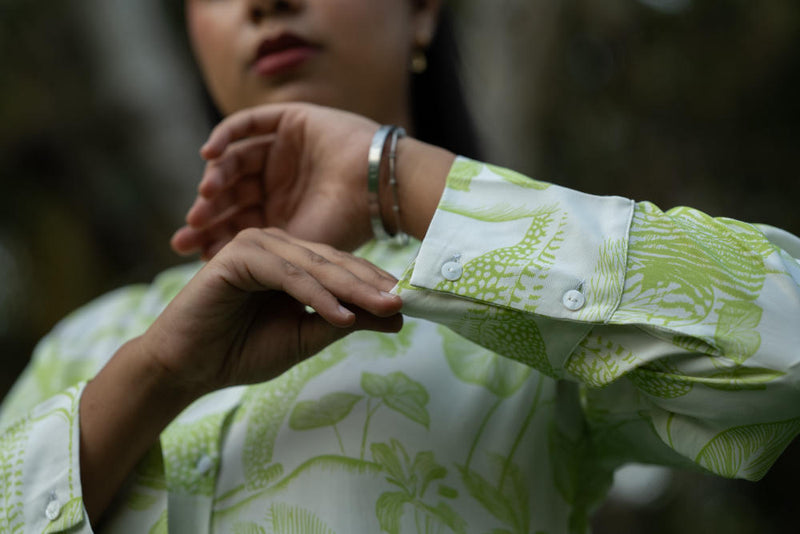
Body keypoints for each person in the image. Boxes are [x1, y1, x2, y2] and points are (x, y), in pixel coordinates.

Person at [2, 1, 800, 533]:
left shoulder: (534, 305)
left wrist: (391, 174)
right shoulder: (89, 344)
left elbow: (780, 338)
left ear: (422, 8)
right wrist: (155, 376)